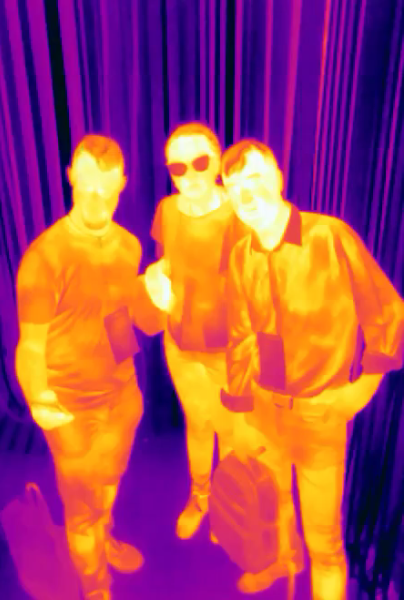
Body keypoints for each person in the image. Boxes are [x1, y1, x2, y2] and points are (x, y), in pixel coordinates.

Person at [219, 139, 404, 599]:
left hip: (319, 417)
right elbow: (240, 337)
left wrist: (360, 391)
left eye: (255, 178)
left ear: (279, 179)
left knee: (324, 541)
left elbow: (387, 313)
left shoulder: (329, 237)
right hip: (265, 411)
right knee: (277, 503)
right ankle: (285, 561)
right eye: (235, 186)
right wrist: (240, 414)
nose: (246, 194)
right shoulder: (240, 255)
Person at [15, 134, 163, 600]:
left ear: (123, 183)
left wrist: (158, 304)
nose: (97, 198)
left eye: (106, 187)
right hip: (70, 406)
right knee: (81, 511)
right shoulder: (45, 256)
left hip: (121, 397)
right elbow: (30, 346)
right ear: (71, 178)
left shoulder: (128, 245)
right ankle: (96, 586)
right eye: (87, 186)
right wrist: (40, 398)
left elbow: (126, 321)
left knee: (109, 484)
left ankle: (105, 535)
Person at [148, 122, 247, 540]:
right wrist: (156, 278)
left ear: (218, 163)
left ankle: (227, 507)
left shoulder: (238, 215)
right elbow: (166, 262)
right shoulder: (167, 210)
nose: (189, 174)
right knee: (198, 423)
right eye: (178, 167)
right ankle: (201, 497)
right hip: (181, 344)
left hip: (228, 348)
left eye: (200, 162)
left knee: (231, 431)